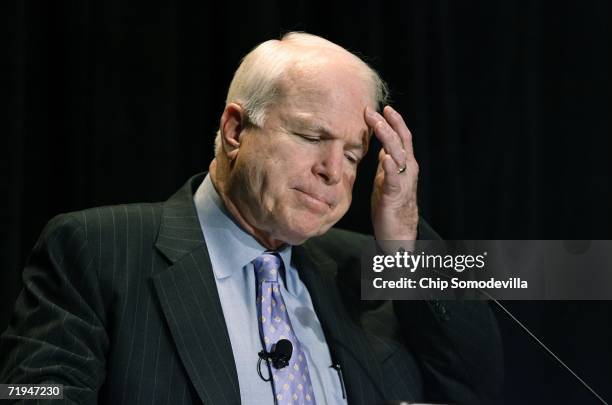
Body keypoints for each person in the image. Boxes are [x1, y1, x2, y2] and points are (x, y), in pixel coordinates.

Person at [0, 32, 502, 404]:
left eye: (353, 155)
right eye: (311, 137)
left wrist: (404, 247)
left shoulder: (363, 268)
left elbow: (475, 381)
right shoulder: (97, 249)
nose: (332, 171)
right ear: (237, 129)